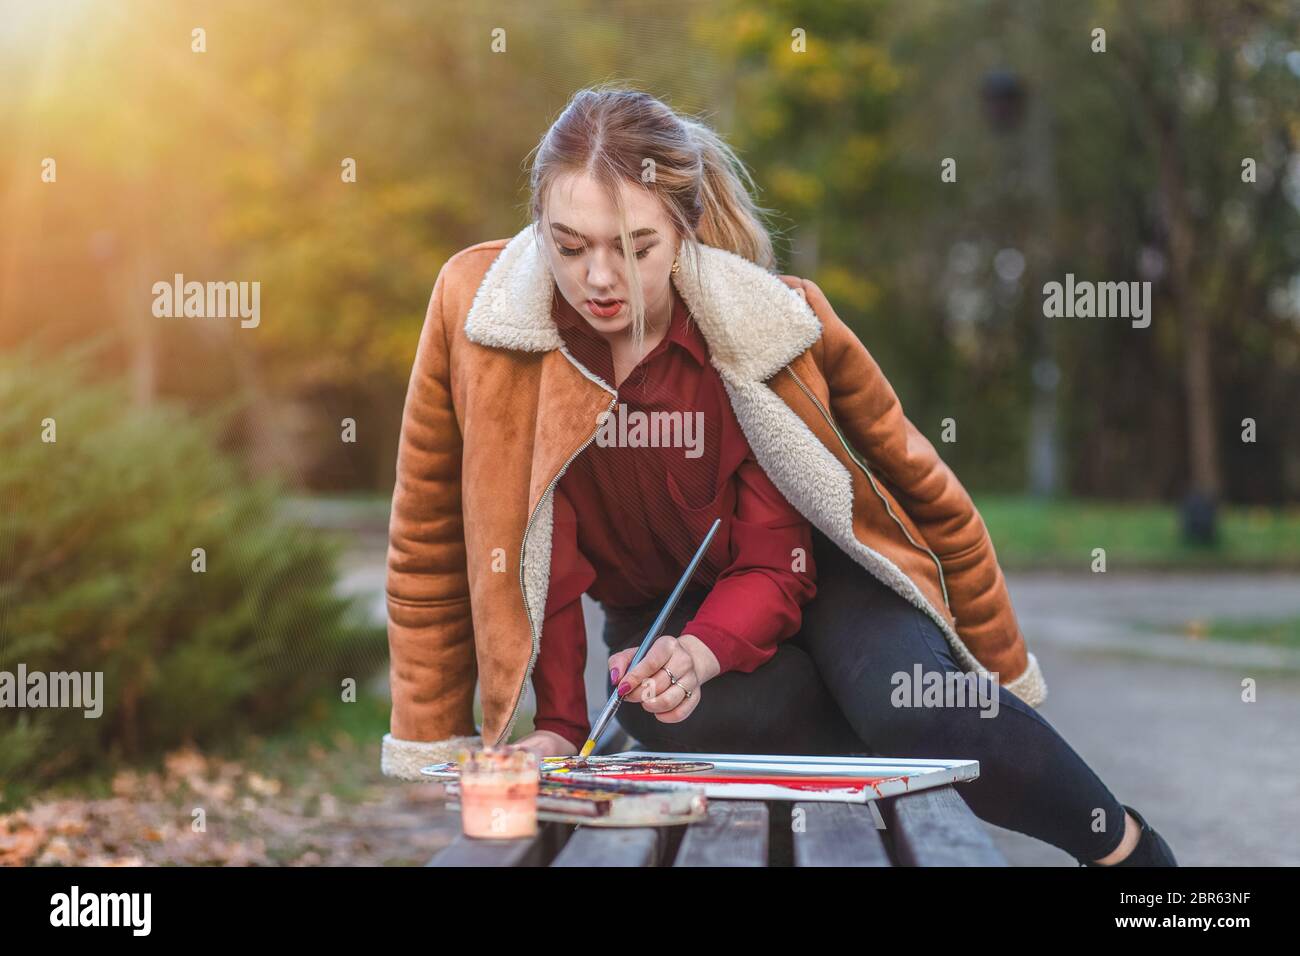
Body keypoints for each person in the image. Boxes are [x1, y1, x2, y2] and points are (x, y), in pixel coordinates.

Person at [382, 86, 1176, 866]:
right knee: (664, 723)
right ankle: (861, 722)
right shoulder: (490, 328)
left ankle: (1133, 855)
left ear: (684, 229)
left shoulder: (760, 332)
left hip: (821, 577)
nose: (598, 278)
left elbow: (788, 553)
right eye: (570, 244)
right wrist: (561, 721)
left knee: (905, 703)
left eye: (634, 248)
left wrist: (704, 652)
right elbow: (515, 541)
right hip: (660, 618)